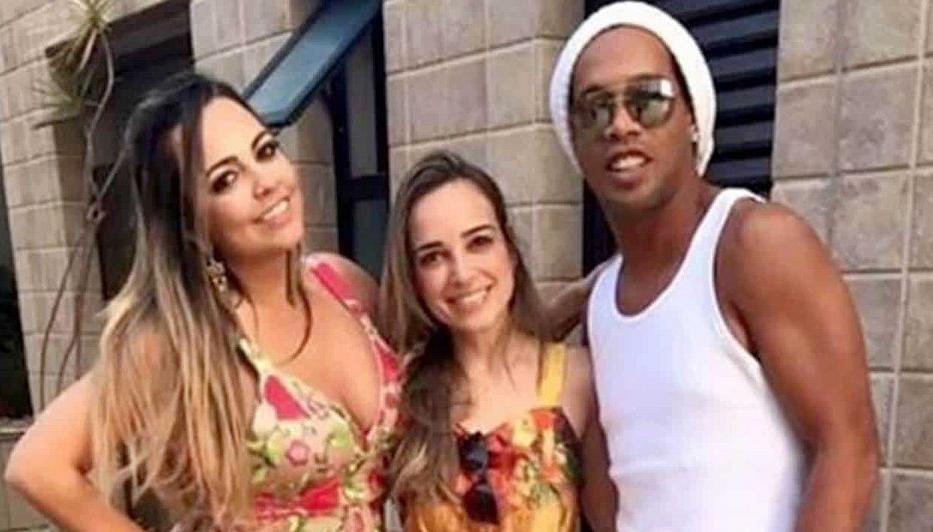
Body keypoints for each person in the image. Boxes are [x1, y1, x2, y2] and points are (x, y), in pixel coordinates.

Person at [4, 72, 402, 530]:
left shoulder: (345, 284)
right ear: (190, 221)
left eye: (265, 151)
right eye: (225, 180)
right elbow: (37, 467)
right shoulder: (185, 340)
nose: (265, 182)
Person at [547, 2, 879, 531]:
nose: (621, 124)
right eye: (596, 108)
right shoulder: (601, 303)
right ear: (575, 142)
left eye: (648, 99)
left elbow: (848, 449)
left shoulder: (753, 245)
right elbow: (615, 497)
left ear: (692, 119)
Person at [380, 151, 617, 531]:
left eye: (478, 242)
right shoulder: (399, 393)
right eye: (434, 257)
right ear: (413, 278)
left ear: (510, 249)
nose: (461, 273)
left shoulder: (578, 379)